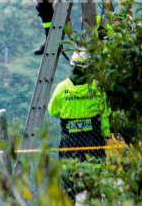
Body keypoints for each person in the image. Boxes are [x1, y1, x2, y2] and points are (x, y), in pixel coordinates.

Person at [48, 50, 110, 201]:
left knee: (69, 180)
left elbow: (52, 111)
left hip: (70, 143)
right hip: (93, 141)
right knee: (95, 179)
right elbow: (105, 114)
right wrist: (106, 134)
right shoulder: (97, 88)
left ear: (72, 65)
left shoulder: (62, 88)